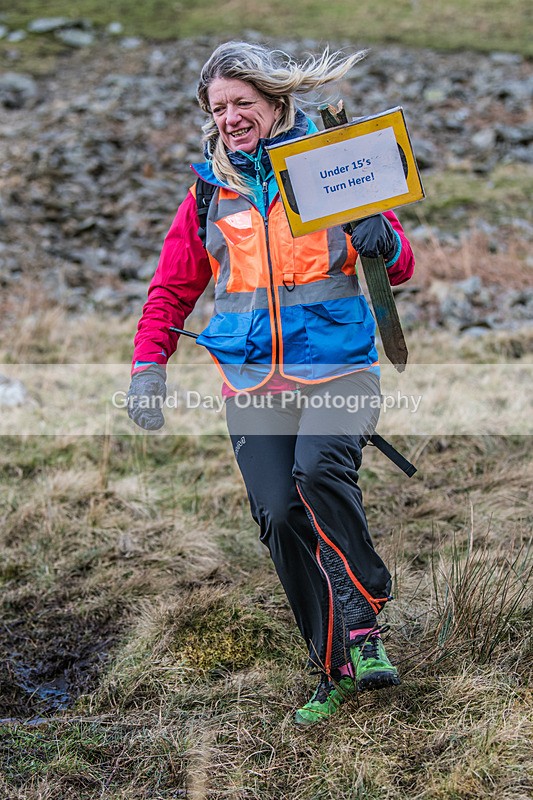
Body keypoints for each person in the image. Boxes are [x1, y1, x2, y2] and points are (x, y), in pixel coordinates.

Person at [127, 41, 415, 725]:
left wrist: (382, 238)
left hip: (339, 369)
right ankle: (334, 667)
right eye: (218, 107)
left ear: (276, 100)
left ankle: (364, 618)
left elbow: (396, 268)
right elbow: (172, 287)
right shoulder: (208, 191)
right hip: (252, 384)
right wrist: (147, 365)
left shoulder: (332, 164)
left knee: (317, 473)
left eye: (242, 103)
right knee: (279, 516)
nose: (229, 117)